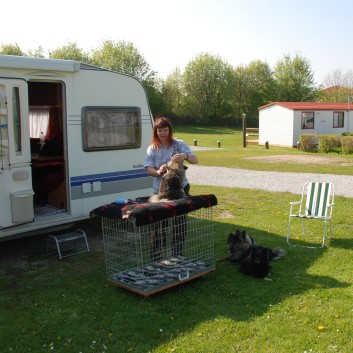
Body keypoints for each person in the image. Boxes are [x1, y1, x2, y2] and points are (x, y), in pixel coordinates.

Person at [144, 116, 198, 260]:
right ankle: (157, 258)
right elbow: (148, 169)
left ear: (170, 130)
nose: (163, 133)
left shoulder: (179, 144)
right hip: (160, 190)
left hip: (181, 189)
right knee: (159, 225)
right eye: (160, 130)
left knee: (179, 223)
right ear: (156, 131)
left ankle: (177, 255)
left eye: (165, 130)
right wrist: (158, 172)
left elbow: (195, 160)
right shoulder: (152, 148)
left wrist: (185, 155)